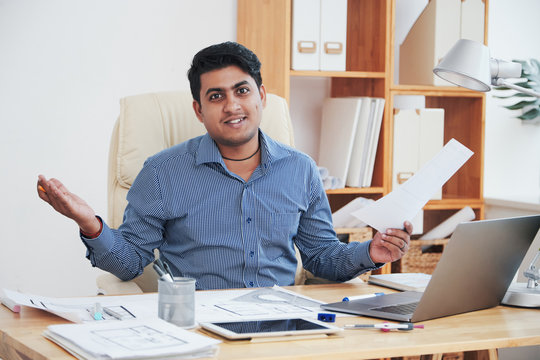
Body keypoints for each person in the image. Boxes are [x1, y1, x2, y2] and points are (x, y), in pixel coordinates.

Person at [37, 41, 412, 290]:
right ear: (199, 110)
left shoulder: (301, 170)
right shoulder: (162, 172)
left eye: (242, 91)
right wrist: (91, 224)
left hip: (282, 323)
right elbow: (131, 262)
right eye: (216, 96)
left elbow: (321, 257)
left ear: (261, 96)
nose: (232, 105)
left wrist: (370, 254)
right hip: (197, 326)